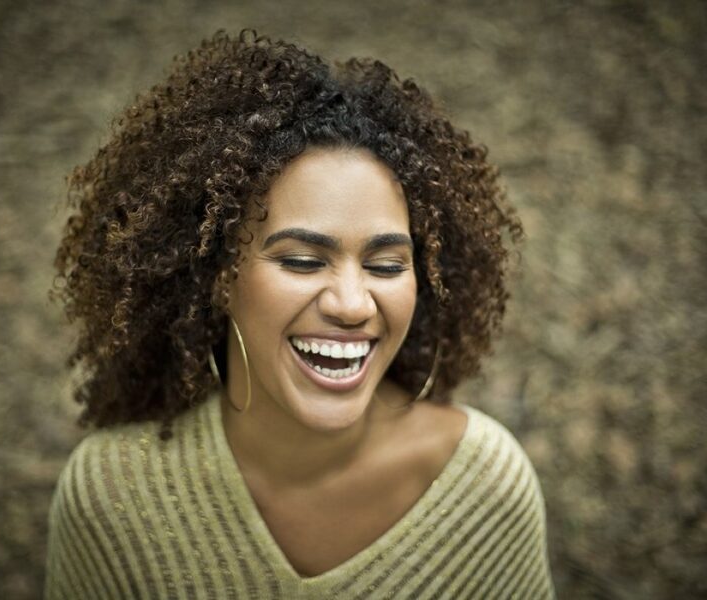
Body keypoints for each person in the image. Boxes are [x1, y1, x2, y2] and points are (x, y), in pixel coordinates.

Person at [45, 29, 555, 599]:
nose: (352, 304)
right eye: (303, 261)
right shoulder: (111, 497)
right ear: (216, 275)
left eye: (386, 265)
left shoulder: (486, 491)